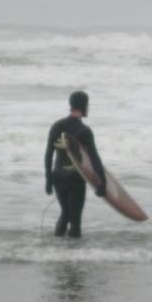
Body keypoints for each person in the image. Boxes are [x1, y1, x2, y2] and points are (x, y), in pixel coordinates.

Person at [44, 91, 106, 238]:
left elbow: (48, 154)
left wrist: (48, 179)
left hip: (58, 176)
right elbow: (94, 158)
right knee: (75, 222)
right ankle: (74, 257)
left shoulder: (57, 126)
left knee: (65, 213)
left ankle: (55, 249)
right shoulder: (84, 131)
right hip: (75, 178)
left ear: (71, 105)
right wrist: (102, 183)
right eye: (88, 105)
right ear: (84, 106)